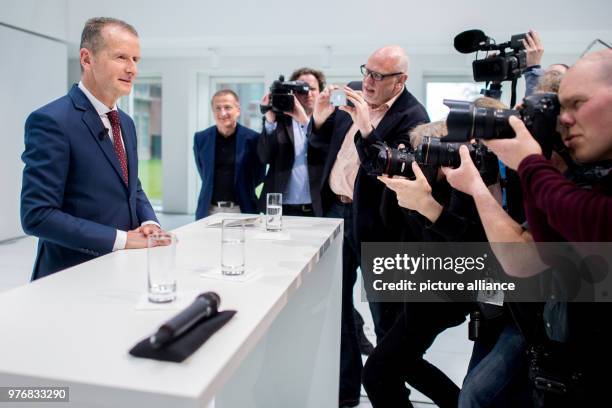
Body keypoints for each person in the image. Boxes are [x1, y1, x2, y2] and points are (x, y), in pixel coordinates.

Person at [310, 45, 429, 408]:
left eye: (379, 76)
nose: (368, 81)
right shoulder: (354, 97)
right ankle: (346, 394)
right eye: (367, 71)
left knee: (387, 321)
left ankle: (392, 397)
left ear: (401, 81)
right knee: (339, 311)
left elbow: (393, 171)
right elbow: (320, 148)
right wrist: (318, 120)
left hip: (381, 229)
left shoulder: (413, 115)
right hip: (336, 215)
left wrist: (366, 127)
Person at [21, 17, 163, 281]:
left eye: (136, 59)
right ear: (87, 59)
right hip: (70, 277)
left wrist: (149, 223)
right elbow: (37, 216)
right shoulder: (52, 121)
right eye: (121, 57)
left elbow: (132, 186)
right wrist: (123, 239)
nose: (132, 69)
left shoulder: (127, 123)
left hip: (122, 272)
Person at [258, 67, 327, 217]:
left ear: (320, 92)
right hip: (280, 207)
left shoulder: (329, 121)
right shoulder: (279, 121)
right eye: (301, 89)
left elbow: (326, 154)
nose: (307, 92)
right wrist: (270, 121)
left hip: (316, 207)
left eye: (312, 88)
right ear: (293, 92)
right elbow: (265, 157)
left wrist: (304, 120)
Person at [194, 89, 264, 219]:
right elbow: (204, 172)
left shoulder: (253, 139)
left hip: (243, 209)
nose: (223, 113)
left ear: (238, 110)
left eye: (227, 107)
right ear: (213, 111)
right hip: (209, 210)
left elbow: (259, 174)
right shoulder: (201, 138)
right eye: (218, 108)